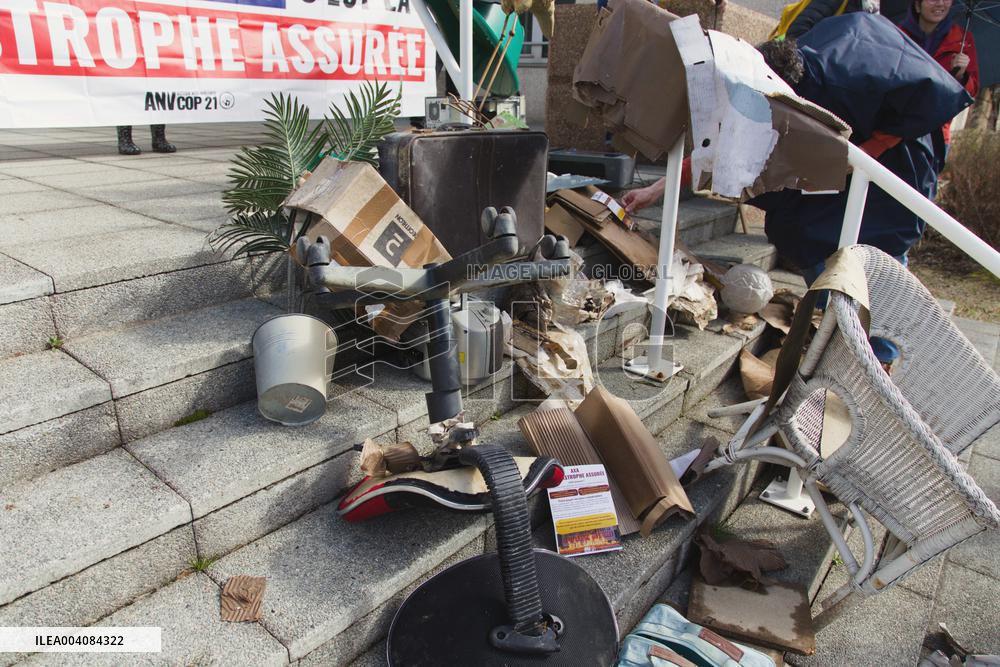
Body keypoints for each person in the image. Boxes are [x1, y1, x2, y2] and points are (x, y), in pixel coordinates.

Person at [623, 13, 971, 366]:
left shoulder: (849, 77)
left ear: (788, 93)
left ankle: (880, 353)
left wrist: (864, 153)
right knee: (794, 226)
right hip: (843, 154)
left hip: (900, 160)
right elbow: (725, 143)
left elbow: (927, 100)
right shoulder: (769, 86)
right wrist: (657, 189)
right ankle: (833, 316)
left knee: (881, 253)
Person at [898, 0, 979, 159]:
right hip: (893, 127)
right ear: (917, 5)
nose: (940, 4)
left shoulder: (962, 41)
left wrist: (961, 75)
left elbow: (971, 92)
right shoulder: (897, 34)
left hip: (934, 134)